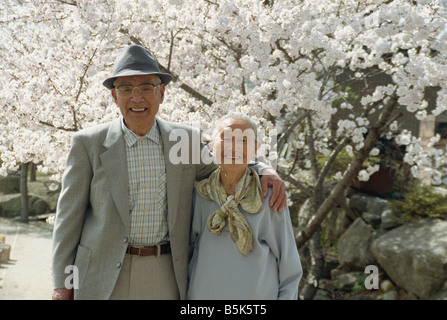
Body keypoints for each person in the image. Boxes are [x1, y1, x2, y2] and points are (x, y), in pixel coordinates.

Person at [51, 44, 287, 300]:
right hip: (99, 273)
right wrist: (62, 284)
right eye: (126, 89)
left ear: (161, 93)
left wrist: (263, 169)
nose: (137, 98)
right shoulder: (88, 143)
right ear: (114, 96)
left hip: (165, 271)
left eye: (146, 88)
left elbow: (225, 166)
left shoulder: (185, 140)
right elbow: (68, 221)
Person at [187, 113, 302, 300]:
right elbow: (187, 253)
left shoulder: (270, 195)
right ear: (211, 145)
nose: (234, 146)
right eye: (226, 138)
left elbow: (289, 264)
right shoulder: (200, 193)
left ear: (255, 148)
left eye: (243, 140)